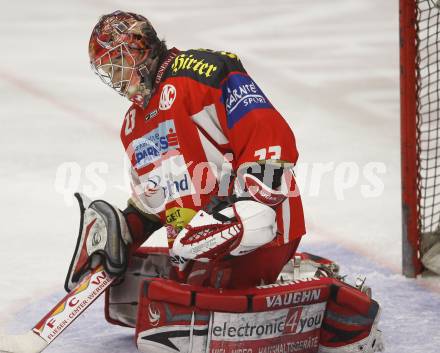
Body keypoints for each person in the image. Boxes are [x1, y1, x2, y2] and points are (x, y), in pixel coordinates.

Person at [65, 9, 305, 295]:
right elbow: (155, 196)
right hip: (198, 246)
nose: (116, 78)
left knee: (247, 234)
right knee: (169, 314)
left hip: (259, 230)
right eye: (108, 71)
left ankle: (288, 275)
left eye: (118, 63)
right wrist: (127, 230)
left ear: (140, 49)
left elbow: (264, 130)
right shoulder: (132, 126)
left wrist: (245, 202)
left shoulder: (202, 71)